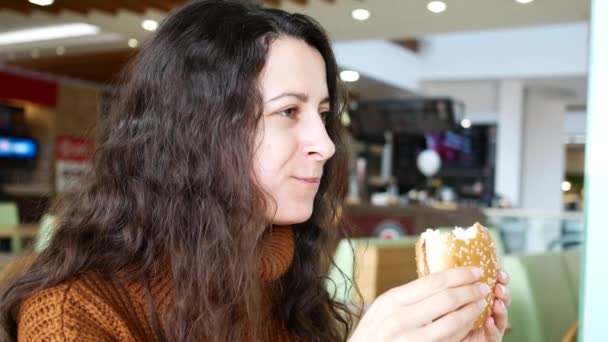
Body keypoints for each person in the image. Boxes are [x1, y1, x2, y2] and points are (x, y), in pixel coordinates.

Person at [0, 1, 510, 341]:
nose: (326, 144)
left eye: (325, 114)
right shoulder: (73, 314)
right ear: (197, 130)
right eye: (289, 112)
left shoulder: (290, 287)